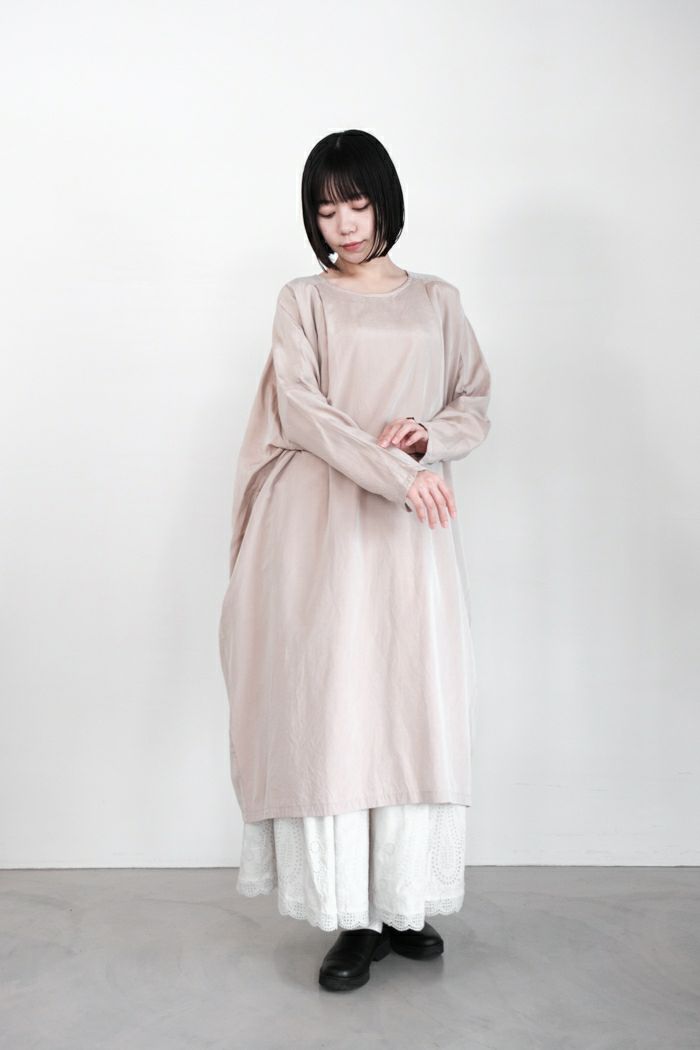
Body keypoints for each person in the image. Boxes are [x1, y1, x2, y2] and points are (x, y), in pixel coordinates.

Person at [218, 129, 492, 992]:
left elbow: (473, 399)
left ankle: (403, 900)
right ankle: (354, 917)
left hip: (410, 533)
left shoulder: (437, 300)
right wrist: (397, 474)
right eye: (326, 209)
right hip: (326, 526)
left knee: (408, 699)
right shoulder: (303, 300)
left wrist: (428, 436)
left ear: (385, 203)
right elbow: (302, 411)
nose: (342, 224)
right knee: (339, 702)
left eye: (357, 204)